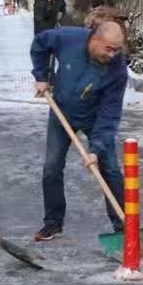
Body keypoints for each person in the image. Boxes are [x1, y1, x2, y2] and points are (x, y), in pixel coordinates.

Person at [30, 21, 128, 241]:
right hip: (61, 112)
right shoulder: (69, 38)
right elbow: (40, 43)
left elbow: (110, 113)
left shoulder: (117, 69)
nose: (112, 54)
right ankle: (53, 223)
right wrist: (41, 76)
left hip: (95, 119)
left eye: (117, 49)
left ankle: (123, 227)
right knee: (52, 167)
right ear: (95, 39)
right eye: (109, 48)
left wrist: (96, 149)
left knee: (110, 170)